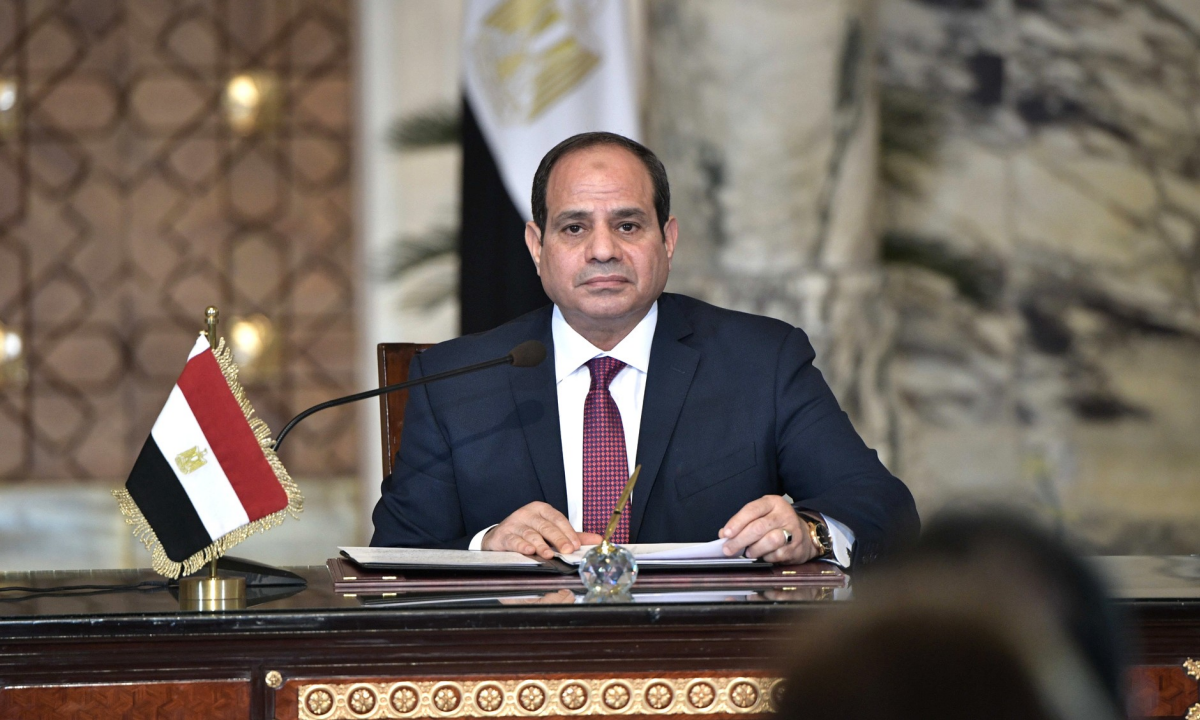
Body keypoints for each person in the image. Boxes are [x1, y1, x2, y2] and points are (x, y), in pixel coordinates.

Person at [371, 132, 919, 568]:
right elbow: (392, 556)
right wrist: (485, 545)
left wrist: (809, 532)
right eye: (574, 228)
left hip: (711, 654)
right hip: (519, 657)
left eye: (628, 225)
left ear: (668, 240)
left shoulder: (761, 361)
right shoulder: (454, 380)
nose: (603, 250)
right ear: (537, 247)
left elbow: (883, 508)